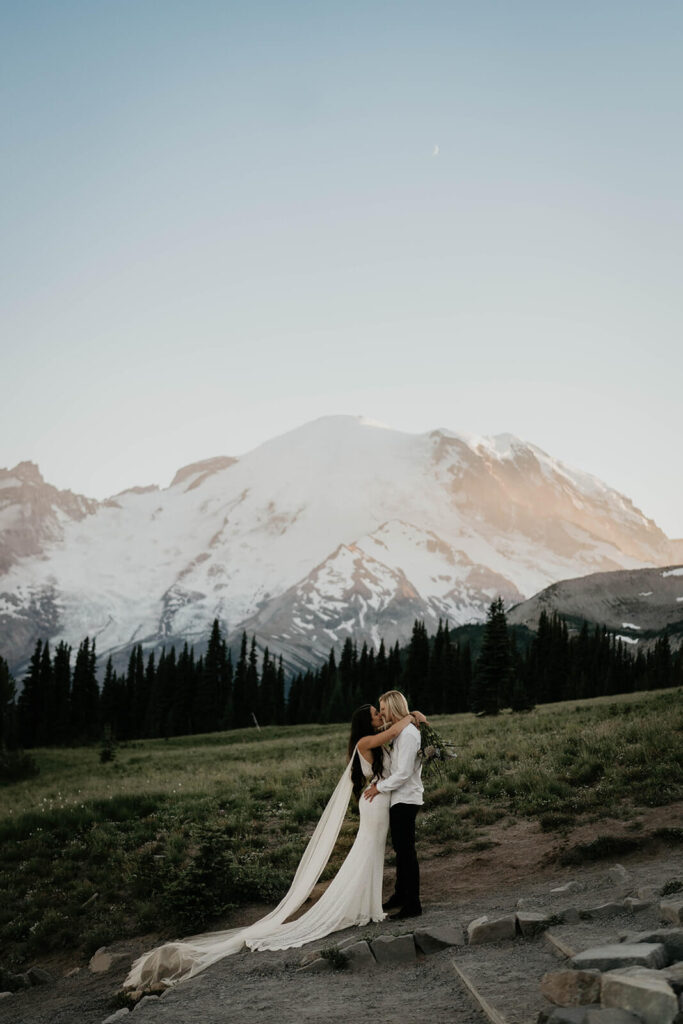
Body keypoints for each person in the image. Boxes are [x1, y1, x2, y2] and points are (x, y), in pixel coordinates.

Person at [124, 703, 425, 992]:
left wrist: (410, 721)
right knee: (366, 854)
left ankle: (371, 903)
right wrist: (412, 715)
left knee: (370, 855)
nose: (379, 715)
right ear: (366, 722)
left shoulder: (373, 737)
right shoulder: (366, 740)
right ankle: (364, 905)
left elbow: (393, 732)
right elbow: (393, 731)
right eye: (375, 713)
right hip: (376, 803)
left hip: (379, 801)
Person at [363, 689, 423, 919]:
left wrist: (379, 787)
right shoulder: (400, 732)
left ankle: (413, 904)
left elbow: (404, 773)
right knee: (401, 851)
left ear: (394, 707)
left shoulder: (407, 734)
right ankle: (400, 895)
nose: (383, 713)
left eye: (385, 709)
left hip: (406, 798)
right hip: (400, 797)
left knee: (406, 852)